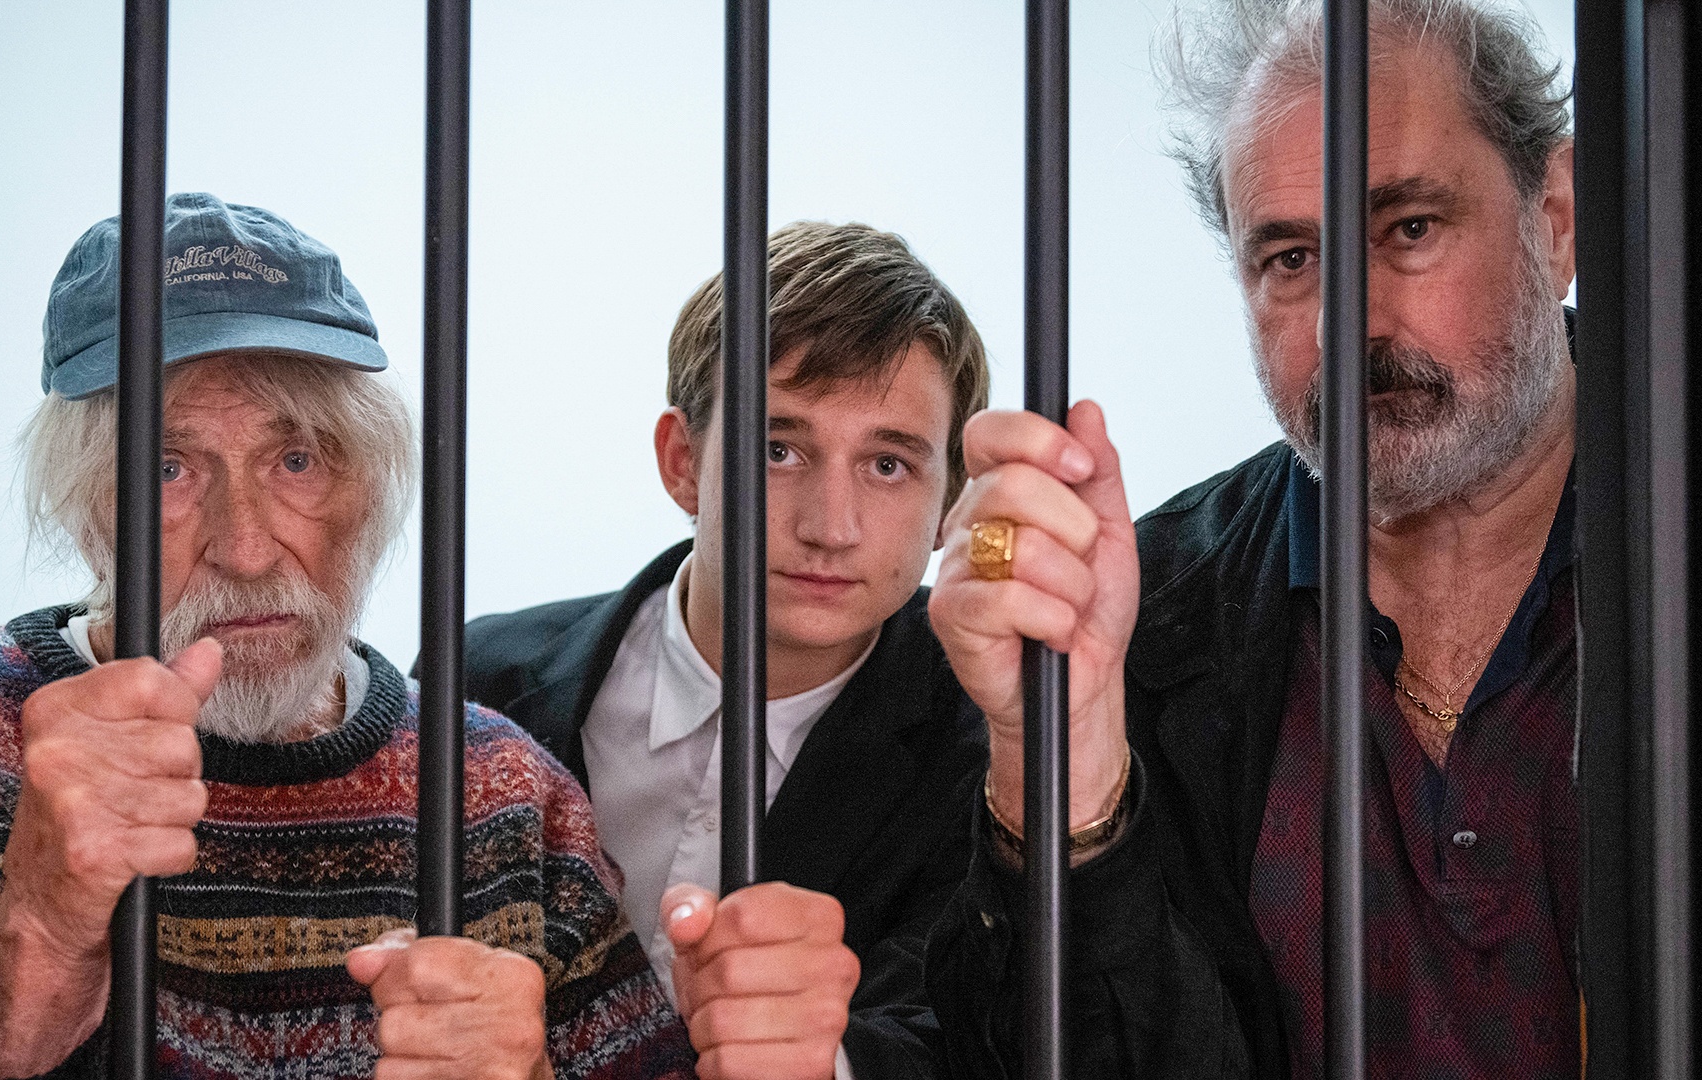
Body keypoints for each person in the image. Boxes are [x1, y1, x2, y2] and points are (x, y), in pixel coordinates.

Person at [921, 2, 1582, 1077]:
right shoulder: (1148, 615)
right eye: (1290, 258)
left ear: (1554, 219)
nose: (1348, 323)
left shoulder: (1670, 539)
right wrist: (1065, 767)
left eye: (1410, 229)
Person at [0, 193, 696, 1080]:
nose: (246, 550)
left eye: (297, 461)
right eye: (168, 468)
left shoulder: (501, 788)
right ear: (82, 504)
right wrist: (43, 940)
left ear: (369, 488)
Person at [453, 222, 991, 1079]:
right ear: (681, 461)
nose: (832, 527)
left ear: (949, 502)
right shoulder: (477, 681)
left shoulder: (1000, 742)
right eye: (779, 449)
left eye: (888, 465)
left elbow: (985, 1035)